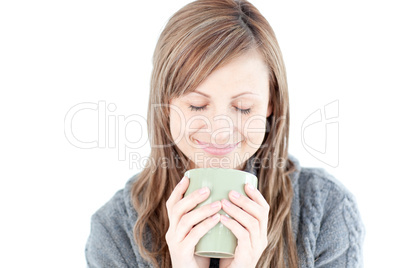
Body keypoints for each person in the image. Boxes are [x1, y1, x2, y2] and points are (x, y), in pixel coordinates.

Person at [85, 0, 365, 267]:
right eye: (197, 105)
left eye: (243, 108)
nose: (220, 132)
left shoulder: (328, 212)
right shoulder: (114, 232)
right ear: (166, 104)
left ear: (270, 103)